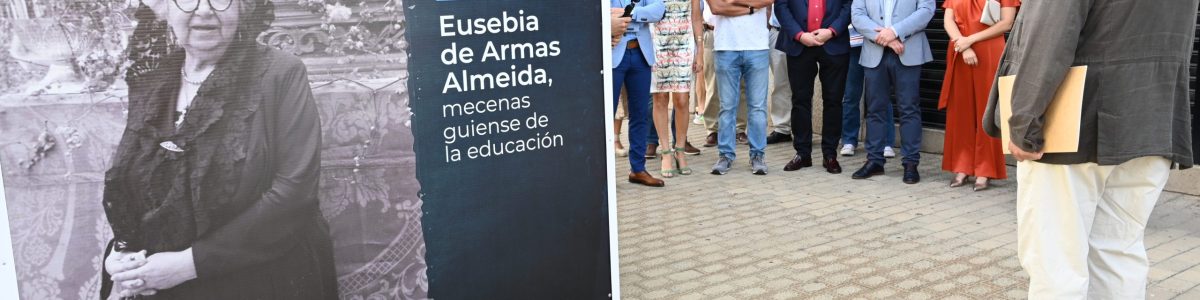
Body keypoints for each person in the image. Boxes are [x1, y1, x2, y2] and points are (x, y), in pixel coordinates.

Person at [100, 0, 337, 298]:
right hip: (156, 277)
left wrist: (189, 264)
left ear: (244, 7)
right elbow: (129, 185)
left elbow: (295, 192)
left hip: (258, 275)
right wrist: (122, 255)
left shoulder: (281, 73)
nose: (204, 10)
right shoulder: (153, 80)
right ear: (164, 9)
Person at [981, 0, 1197, 298]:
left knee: (1056, 263)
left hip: (1074, 125)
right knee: (1119, 253)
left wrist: (1024, 121)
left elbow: (1049, 32)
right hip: (1152, 118)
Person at [849, 0, 934, 184]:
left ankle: (911, 163)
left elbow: (926, 10)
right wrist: (884, 37)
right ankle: (875, 161)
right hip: (874, 51)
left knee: (909, 109)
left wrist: (894, 32)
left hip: (908, 50)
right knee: (874, 109)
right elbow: (857, 14)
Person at [938, 0, 1018, 191]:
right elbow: (948, 20)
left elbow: (1007, 23)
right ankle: (962, 165)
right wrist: (963, 45)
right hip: (960, 50)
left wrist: (970, 40)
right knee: (960, 111)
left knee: (986, 111)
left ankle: (985, 169)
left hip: (989, 50)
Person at [775, 0, 851, 174]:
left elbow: (849, 5)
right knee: (800, 100)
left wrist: (831, 31)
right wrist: (799, 34)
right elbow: (781, 6)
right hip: (799, 43)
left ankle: (830, 154)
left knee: (834, 100)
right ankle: (802, 154)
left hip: (833, 42)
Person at [705, 0, 775, 175]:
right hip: (725, 47)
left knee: (758, 108)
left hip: (757, 47)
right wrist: (752, 7)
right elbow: (716, 7)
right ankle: (725, 155)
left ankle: (757, 156)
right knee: (727, 107)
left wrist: (732, 1)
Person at [611, 0, 666, 187]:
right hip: (611, 53)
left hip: (640, 54)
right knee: (604, 117)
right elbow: (599, 15)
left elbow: (658, 10)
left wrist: (628, 13)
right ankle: (602, 174)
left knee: (640, 115)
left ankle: (637, 169)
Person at [649, 0, 704, 177]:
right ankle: (665, 153)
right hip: (657, 42)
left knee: (682, 99)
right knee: (660, 98)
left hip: (684, 43)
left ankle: (679, 150)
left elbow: (696, 17)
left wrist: (700, 51)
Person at [838, 24, 896, 158]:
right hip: (853, 44)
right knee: (851, 94)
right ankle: (848, 140)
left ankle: (886, 142)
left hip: (879, 42)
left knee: (881, 95)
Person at [764, 11, 794, 145]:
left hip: (804, 33)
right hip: (777, 32)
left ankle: (802, 129)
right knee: (780, 83)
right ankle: (782, 129)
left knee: (804, 83)